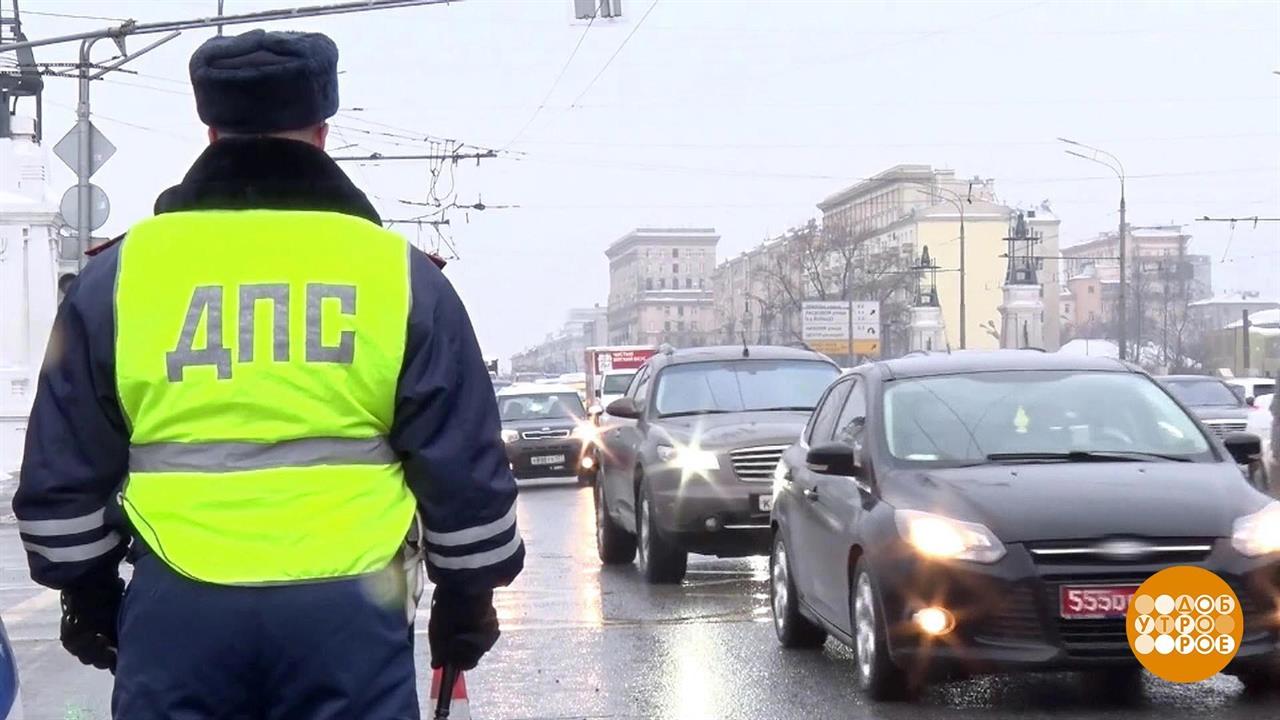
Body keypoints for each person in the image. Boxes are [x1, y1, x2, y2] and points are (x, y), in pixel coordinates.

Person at [14, 29, 523, 718]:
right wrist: (469, 598)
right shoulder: (399, 277)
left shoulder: (119, 277)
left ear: (210, 127)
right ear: (322, 127)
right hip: (351, 606)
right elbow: (462, 464)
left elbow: (62, 465)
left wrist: (87, 591)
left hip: (178, 604)